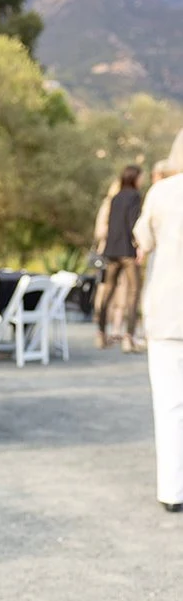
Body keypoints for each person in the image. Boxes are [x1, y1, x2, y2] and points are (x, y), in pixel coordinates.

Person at [134, 152, 183, 511]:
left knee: (170, 403)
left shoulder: (162, 192)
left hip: (169, 308)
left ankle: (172, 491)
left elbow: (143, 241)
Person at [96, 165, 143, 351]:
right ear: (135, 178)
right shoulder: (134, 196)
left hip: (112, 250)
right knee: (133, 292)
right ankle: (128, 337)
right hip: (127, 251)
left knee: (107, 291)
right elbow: (133, 223)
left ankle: (100, 333)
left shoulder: (115, 198)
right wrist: (138, 245)